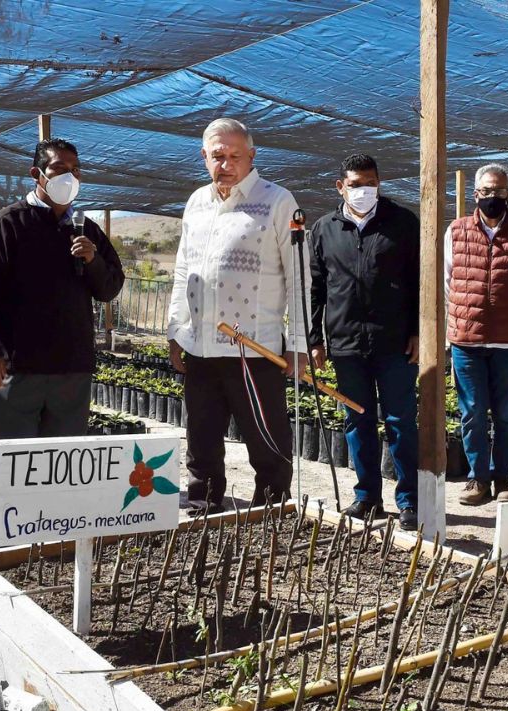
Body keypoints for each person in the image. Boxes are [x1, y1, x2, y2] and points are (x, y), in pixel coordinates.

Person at [167, 118, 309, 515]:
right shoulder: (196, 202)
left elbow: (300, 280)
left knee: (266, 441)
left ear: (251, 156)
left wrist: (298, 344)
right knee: (202, 438)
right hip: (201, 346)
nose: (225, 164)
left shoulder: (279, 201)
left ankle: (271, 510)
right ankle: (203, 508)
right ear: (204, 157)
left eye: (234, 156)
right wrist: (176, 330)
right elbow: (184, 270)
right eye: (217, 156)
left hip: (254, 348)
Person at [0, 139, 124, 439]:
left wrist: (93, 261)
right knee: (15, 462)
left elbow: (109, 288)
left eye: (75, 170)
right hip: (18, 367)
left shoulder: (86, 229)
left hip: (72, 369)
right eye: (60, 169)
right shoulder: (6, 224)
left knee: (62, 464)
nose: (70, 176)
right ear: (37, 174)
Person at [308, 153, 420, 530]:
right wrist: (314, 340)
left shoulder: (403, 224)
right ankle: (367, 497)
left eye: (369, 183)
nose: (363, 190)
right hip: (344, 344)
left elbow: (421, 281)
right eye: (355, 184)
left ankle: (409, 502)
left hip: (394, 343)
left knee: (401, 421)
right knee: (357, 419)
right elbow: (316, 288)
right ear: (341, 187)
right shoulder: (324, 229)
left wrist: (420, 332)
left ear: (379, 184)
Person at [445, 163, 508, 507]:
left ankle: (503, 477)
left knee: (504, 412)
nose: (492, 197)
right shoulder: (456, 231)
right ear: (476, 194)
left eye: (498, 191)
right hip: (466, 341)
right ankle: (477, 479)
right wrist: (466, 315)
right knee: (472, 411)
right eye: (486, 191)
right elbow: (448, 280)